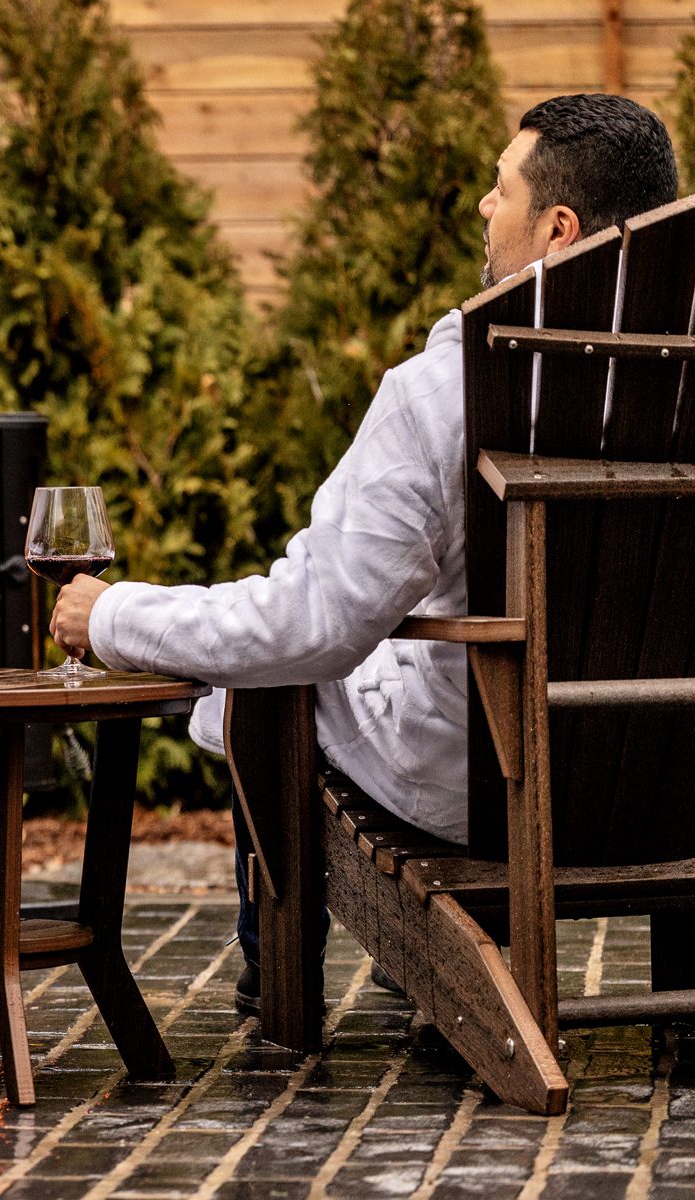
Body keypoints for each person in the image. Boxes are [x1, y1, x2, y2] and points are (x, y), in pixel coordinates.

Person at [46, 94, 680, 1014]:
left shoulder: (446, 391)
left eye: (498, 189)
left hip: (492, 792)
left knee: (260, 675)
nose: (479, 207)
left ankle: (278, 982)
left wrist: (112, 613)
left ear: (558, 228)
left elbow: (311, 625)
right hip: (672, 775)